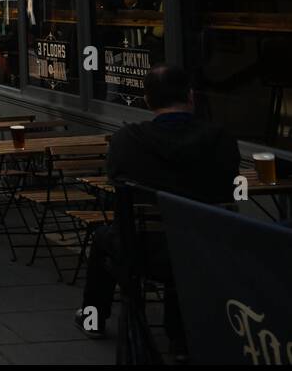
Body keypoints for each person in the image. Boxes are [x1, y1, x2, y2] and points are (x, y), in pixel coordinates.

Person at [77, 64, 239, 353]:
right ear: (191, 97)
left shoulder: (128, 140)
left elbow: (114, 181)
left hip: (143, 250)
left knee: (103, 236)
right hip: (209, 248)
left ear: (148, 100)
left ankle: (94, 318)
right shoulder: (221, 139)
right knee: (181, 235)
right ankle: (180, 338)